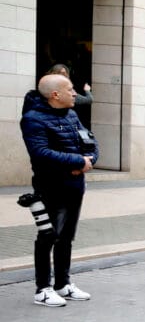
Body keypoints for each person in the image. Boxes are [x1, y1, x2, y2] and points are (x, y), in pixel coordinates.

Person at [21, 73, 98, 307]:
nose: (75, 93)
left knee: (67, 237)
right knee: (48, 236)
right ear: (55, 94)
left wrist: (89, 160)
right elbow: (40, 153)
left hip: (75, 185)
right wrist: (77, 162)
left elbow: (90, 142)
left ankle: (63, 284)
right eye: (70, 89)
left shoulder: (72, 114)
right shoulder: (33, 119)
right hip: (50, 186)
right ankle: (42, 289)